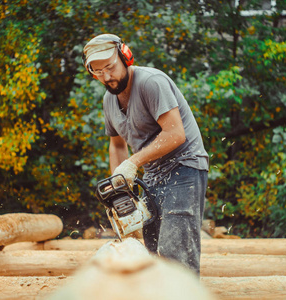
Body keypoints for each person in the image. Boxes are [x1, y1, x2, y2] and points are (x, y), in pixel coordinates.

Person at [82, 33, 209, 275]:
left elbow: (175, 134)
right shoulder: (108, 101)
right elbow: (118, 145)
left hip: (184, 166)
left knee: (175, 254)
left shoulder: (151, 82)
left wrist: (133, 163)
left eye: (110, 67)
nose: (107, 77)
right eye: (99, 72)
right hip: (151, 175)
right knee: (153, 252)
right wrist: (120, 190)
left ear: (125, 56)